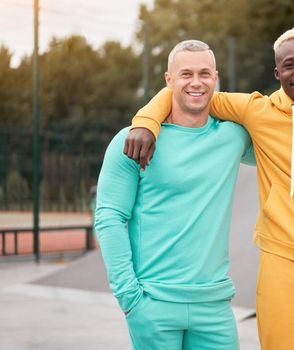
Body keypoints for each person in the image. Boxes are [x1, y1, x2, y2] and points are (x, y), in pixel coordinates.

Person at [126, 28, 294, 350]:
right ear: (277, 73)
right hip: (281, 273)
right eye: (289, 65)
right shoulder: (257, 111)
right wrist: (145, 122)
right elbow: (192, 91)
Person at [94, 40, 257, 350]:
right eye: (185, 74)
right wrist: (130, 298)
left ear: (216, 78)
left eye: (205, 73)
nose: (196, 82)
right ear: (169, 80)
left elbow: (286, 129)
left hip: (214, 304)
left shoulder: (233, 137)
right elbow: (109, 218)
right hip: (153, 304)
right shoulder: (131, 142)